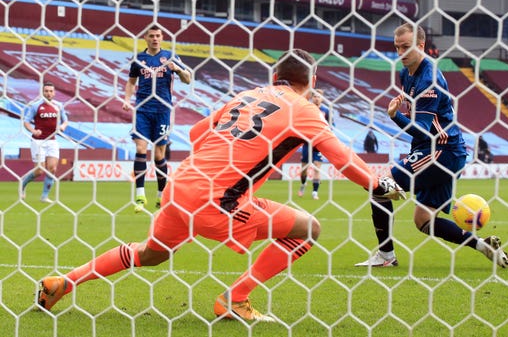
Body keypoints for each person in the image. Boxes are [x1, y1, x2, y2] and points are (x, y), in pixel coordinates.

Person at [37, 49, 404, 321]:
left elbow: (197, 133)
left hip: (180, 187)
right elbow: (341, 158)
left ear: (275, 75)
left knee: (151, 253)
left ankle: (63, 282)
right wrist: (378, 184)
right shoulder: (304, 109)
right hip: (218, 201)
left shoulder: (246, 96)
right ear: (312, 82)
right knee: (308, 230)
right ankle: (236, 298)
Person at [355, 23, 508, 269]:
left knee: (379, 187)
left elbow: (421, 129)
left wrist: (395, 116)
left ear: (421, 46)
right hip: (444, 150)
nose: (401, 53)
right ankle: (483, 246)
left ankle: (386, 256)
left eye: (406, 47)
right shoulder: (406, 73)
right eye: (397, 48)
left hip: (440, 151)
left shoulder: (429, 78)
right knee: (424, 220)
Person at [122, 25, 192, 212]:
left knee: (159, 155)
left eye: (158, 36)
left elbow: (188, 79)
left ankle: (161, 195)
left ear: (162, 37)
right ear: (145, 37)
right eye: (151, 36)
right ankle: (140, 195)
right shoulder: (139, 59)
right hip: (142, 110)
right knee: (140, 148)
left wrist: (176, 68)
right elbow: (131, 82)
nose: (155, 38)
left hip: (162, 111)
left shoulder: (170, 56)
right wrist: (127, 99)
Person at [20, 82, 69, 203]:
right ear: (43, 92)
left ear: (54, 92)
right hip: (38, 142)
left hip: (52, 141)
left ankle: (44, 196)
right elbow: (26, 122)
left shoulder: (59, 106)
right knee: (39, 170)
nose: (49, 93)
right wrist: (33, 130)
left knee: (52, 168)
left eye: (51, 91)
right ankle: (22, 184)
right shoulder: (36, 106)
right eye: (46, 91)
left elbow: (66, 120)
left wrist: (62, 126)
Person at [298, 89, 331, 200]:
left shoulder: (326, 110)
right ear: (312, 98)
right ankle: (303, 184)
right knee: (304, 169)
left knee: (317, 167)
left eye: (319, 96)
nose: (317, 98)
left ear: (322, 98)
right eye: (315, 96)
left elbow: (331, 125)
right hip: (307, 142)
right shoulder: (307, 109)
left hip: (319, 142)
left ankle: (314, 192)